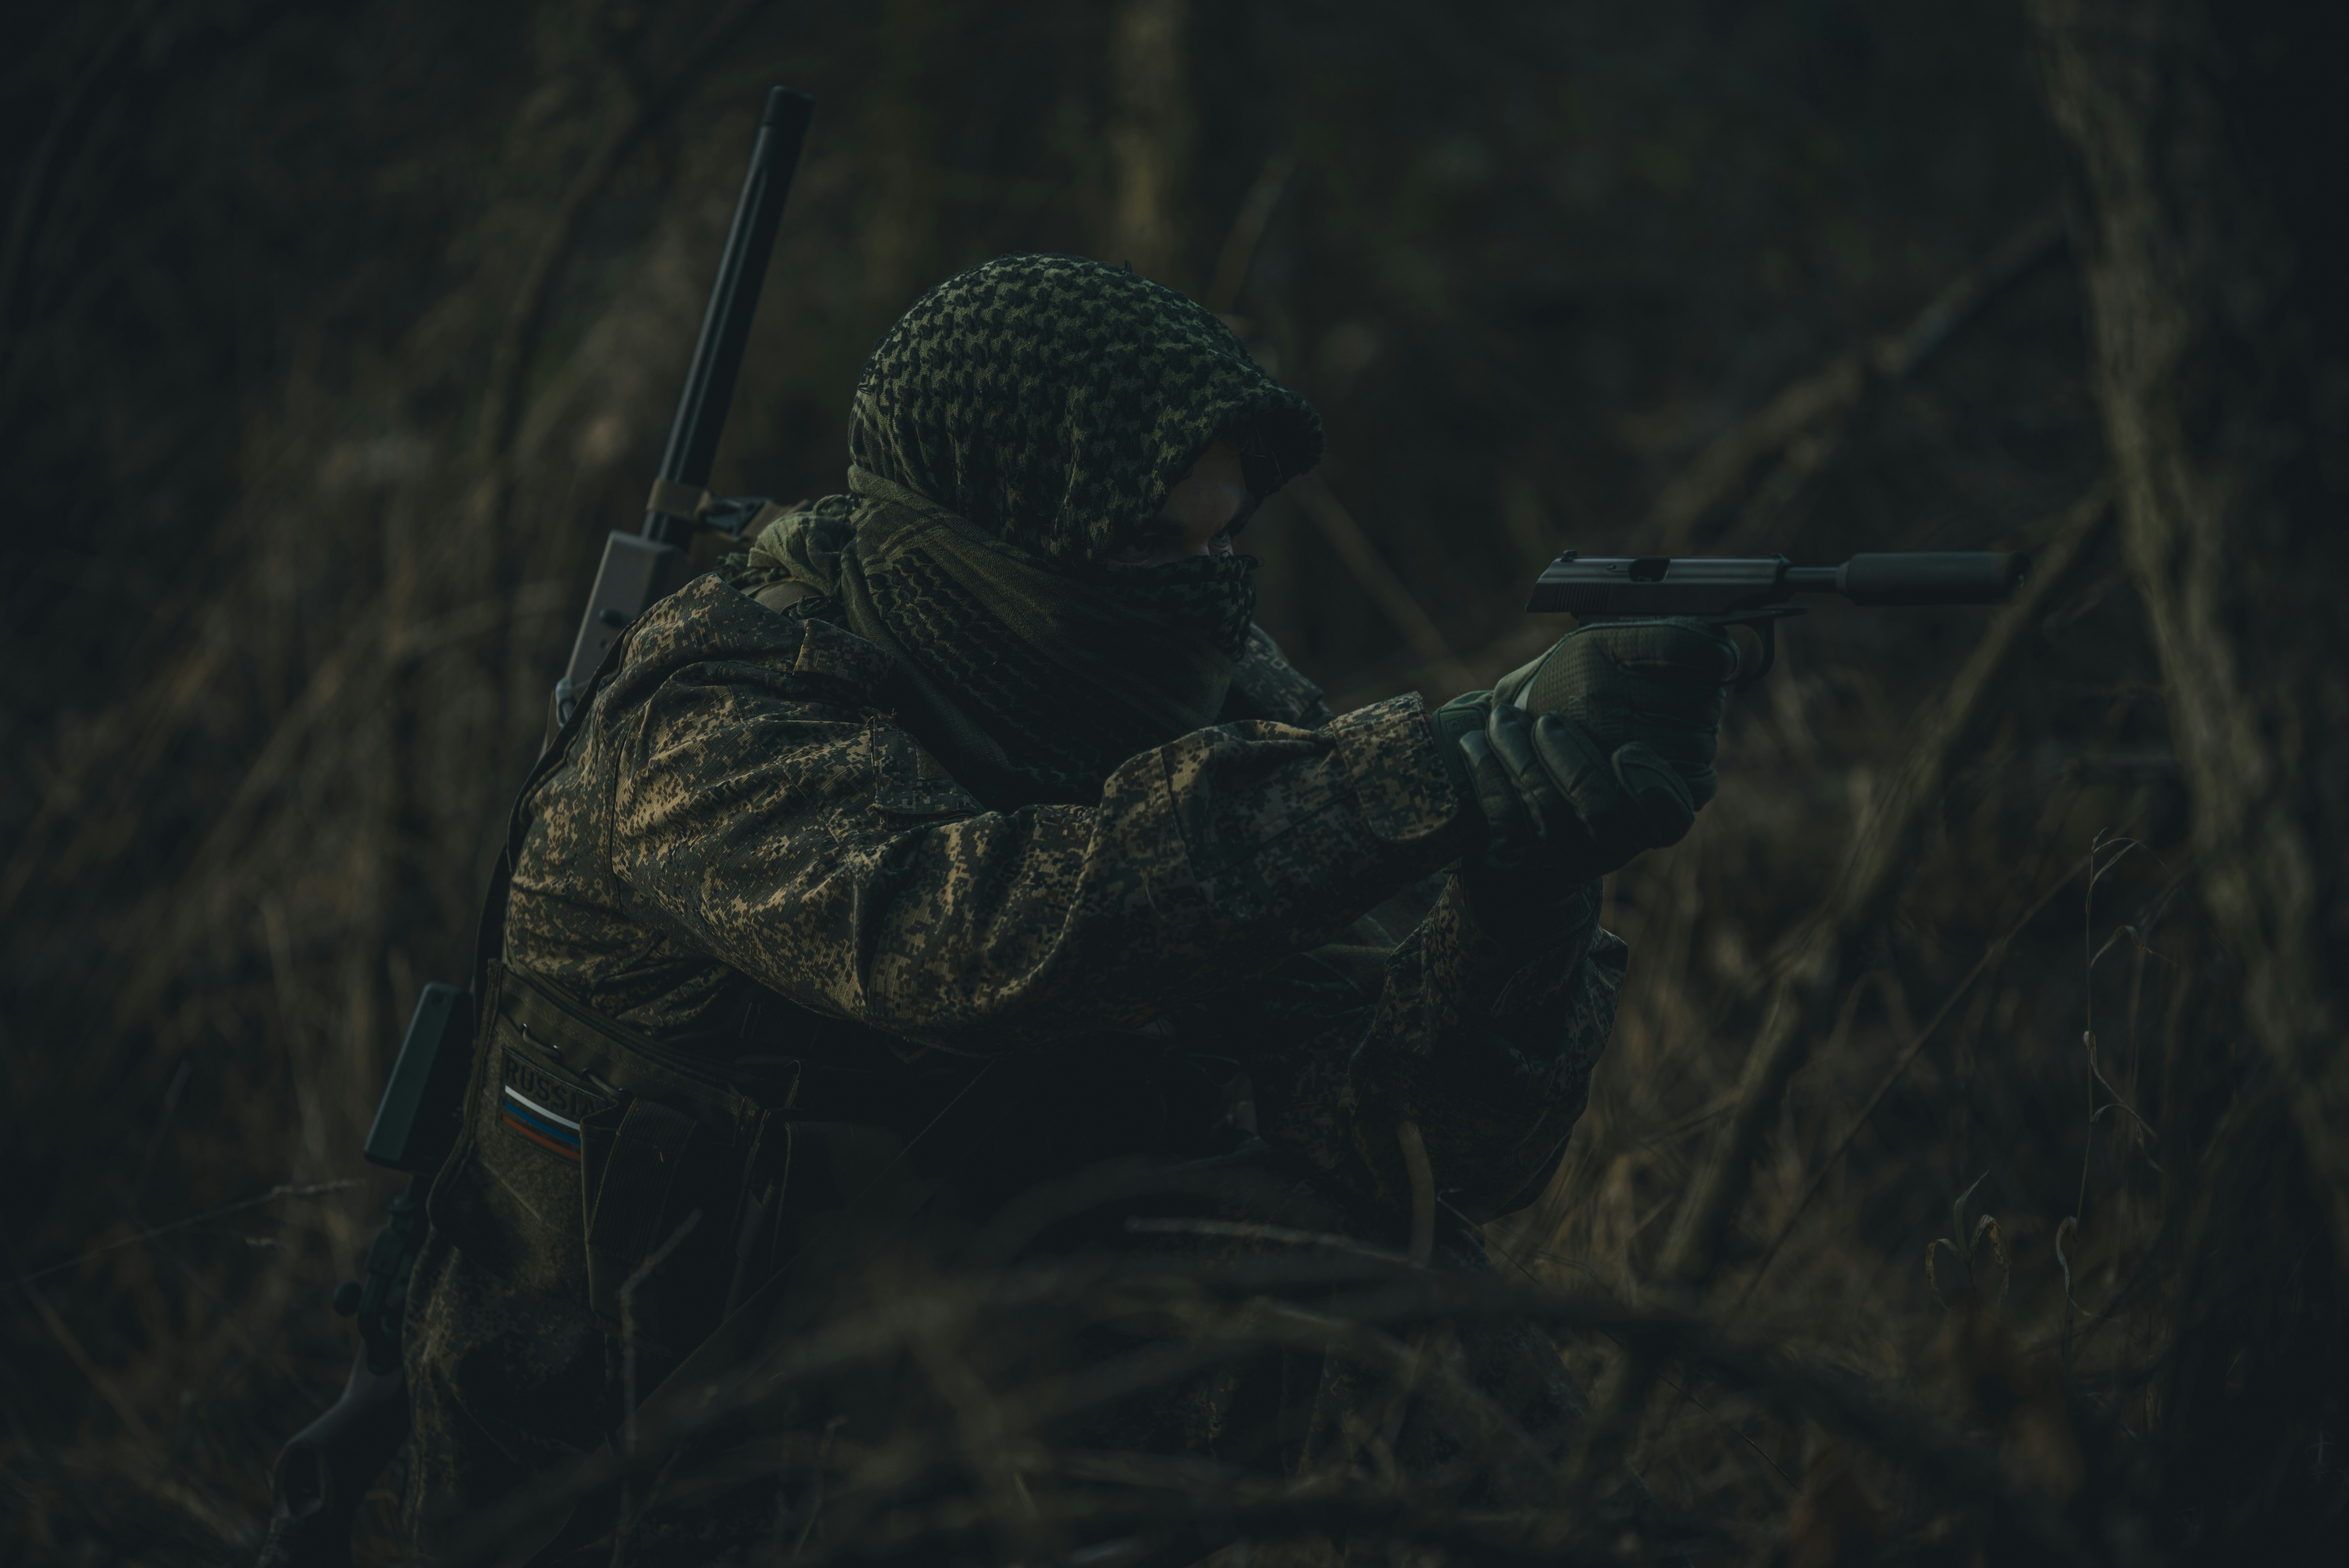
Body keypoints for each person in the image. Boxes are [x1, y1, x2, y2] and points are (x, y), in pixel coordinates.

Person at [400, 252, 1734, 1563]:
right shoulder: (716, 713)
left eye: (1224, 543)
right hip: (649, 1480)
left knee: (1389, 1297)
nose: (1203, 592)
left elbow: (1410, 1156)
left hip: (976, 1403)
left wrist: (1528, 878)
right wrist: (1422, 774)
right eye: (1153, 546)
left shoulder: (1177, 682)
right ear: (994, 534)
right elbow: (961, 939)